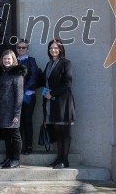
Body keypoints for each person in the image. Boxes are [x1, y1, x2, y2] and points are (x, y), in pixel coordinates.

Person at [43, 39, 75, 169]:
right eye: (51, 48)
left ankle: (64, 160)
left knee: (64, 132)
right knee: (57, 132)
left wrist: (53, 93)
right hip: (52, 103)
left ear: (61, 49)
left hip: (63, 103)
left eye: (56, 48)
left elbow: (67, 84)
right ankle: (58, 159)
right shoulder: (49, 64)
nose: (53, 50)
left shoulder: (66, 63)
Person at [0, 49, 25, 169]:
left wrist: (17, 113)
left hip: (12, 110)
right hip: (2, 110)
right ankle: (8, 159)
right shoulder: (2, 73)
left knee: (15, 134)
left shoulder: (17, 74)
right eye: (5, 58)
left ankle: (15, 159)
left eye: (9, 59)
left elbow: (19, 95)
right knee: (7, 135)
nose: (6, 61)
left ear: (13, 60)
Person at [16, 39, 40, 154]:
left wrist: (23, 90)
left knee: (27, 121)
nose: (21, 49)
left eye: (23, 47)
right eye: (19, 47)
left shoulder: (31, 61)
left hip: (28, 96)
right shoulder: (13, 60)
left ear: (27, 49)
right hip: (15, 97)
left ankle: (29, 146)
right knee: (17, 122)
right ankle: (18, 147)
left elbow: (34, 77)